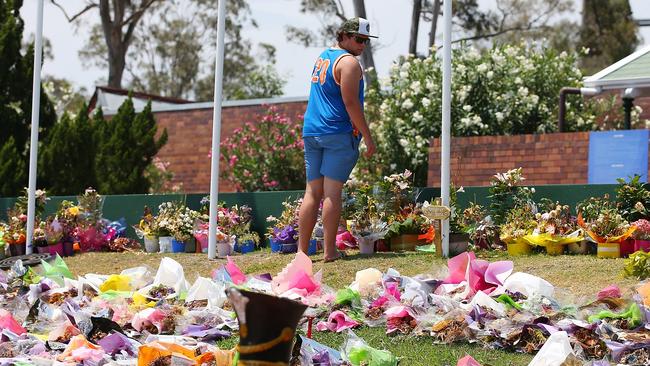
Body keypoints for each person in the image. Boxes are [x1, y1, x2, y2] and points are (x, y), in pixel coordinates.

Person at [298, 17, 377, 262]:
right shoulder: (350, 64)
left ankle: (302, 252)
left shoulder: (324, 57)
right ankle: (329, 251)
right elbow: (350, 103)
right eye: (358, 39)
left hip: (312, 131)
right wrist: (368, 136)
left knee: (312, 192)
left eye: (365, 40)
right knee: (332, 193)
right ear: (342, 35)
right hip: (336, 133)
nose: (363, 45)